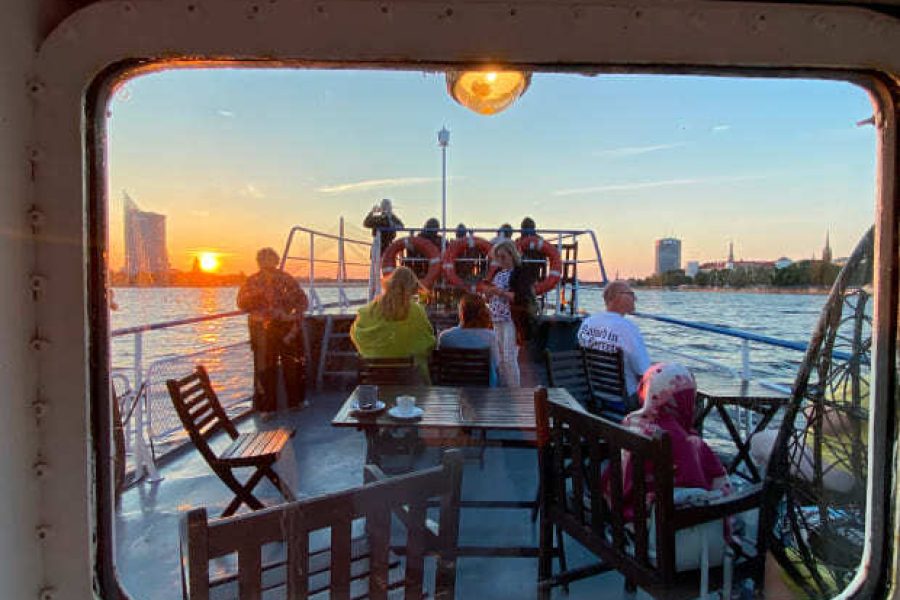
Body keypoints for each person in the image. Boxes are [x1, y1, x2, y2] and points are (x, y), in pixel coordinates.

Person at [603, 363, 732, 570]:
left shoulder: (631, 422)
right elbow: (701, 485)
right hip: (662, 537)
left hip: (626, 513)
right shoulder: (685, 443)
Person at [237, 247, 309, 415]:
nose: (267, 263)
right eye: (265, 260)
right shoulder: (257, 281)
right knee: (269, 367)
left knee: (287, 366)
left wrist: (289, 316)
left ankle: (284, 404)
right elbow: (242, 303)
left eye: (269, 260)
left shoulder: (281, 280)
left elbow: (302, 302)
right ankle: (276, 406)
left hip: (281, 328)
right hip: (266, 328)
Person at [350, 266, 436, 381]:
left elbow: (357, 335)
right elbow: (428, 342)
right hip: (408, 381)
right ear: (411, 287)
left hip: (376, 378)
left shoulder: (368, 311)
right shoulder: (416, 311)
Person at [577, 280, 650, 402]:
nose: (635, 299)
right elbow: (644, 372)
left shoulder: (588, 322)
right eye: (631, 294)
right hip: (624, 399)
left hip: (594, 392)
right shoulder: (627, 328)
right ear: (619, 297)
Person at [483, 239, 537, 386]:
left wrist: (499, 291)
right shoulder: (498, 274)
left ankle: (514, 391)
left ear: (512, 255)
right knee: (499, 357)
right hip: (497, 318)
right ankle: (503, 388)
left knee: (509, 356)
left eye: (503, 256)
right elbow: (490, 298)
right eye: (498, 257)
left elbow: (520, 296)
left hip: (511, 319)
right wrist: (488, 294)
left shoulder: (521, 273)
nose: (500, 260)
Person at [437, 293, 500, 386]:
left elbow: (441, 366)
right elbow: (496, 365)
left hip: (452, 387)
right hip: (482, 388)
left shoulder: (445, 337)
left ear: (461, 312)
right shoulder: (490, 337)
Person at [517, 216, 546, 284]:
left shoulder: (518, 240)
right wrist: (543, 276)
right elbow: (543, 260)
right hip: (535, 270)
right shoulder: (540, 239)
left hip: (522, 270)